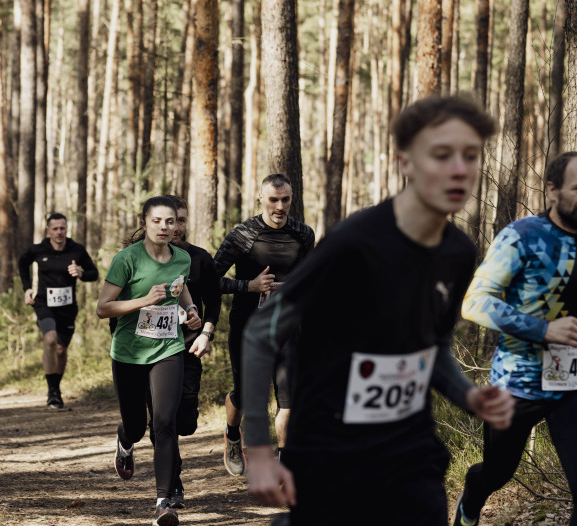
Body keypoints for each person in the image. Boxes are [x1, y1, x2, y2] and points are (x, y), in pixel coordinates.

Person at [242, 95, 516, 525]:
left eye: (471, 155)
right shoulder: (355, 242)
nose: (459, 169)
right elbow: (262, 331)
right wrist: (258, 448)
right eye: (441, 155)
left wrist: (468, 395)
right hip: (331, 447)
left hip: (410, 447)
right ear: (405, 163)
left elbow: (433, 347)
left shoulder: (459, 252)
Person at [453, 151, 577, 526]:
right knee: (497, 474)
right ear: (552, 189)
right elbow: (474, 303)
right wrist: (544, 330)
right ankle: (472, 497)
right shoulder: (522, 236)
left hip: (576, 379)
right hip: (519, 381)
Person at [96, 196, 202, 526]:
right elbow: (103, 308)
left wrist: (191, 310)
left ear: (177, 226)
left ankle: (163, 503)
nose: (164, 227)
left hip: (167, 350)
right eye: (157, 221)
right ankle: (125, 440)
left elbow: (179, 288)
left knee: (165, 422)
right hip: (129, 353)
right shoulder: (126, 260)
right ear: (145, 222)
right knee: (136, 426)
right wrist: (144, 300)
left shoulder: (182, 257)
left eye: (170, 221)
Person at [213, 173, 315, 475]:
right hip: (248, 327)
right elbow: (211, 281)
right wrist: (250, 286)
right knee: (244, 393)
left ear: (292, 198)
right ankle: (233, 434)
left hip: (287, 329)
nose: (280, 206)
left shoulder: (304, 234)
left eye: (285, 199)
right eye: (273, 199)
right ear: (261, 199)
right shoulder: (242, 235)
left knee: (288, 398)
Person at [142, 195, 220, 509]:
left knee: (185, 422)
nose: (175, 227)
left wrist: (206, 333)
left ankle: (171, 475)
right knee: (163, 421)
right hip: (151, 350)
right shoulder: (141, 257)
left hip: (188, 346)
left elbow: (213, 301)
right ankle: (172, 485)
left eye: (181, 220)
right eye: (169, 220)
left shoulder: (198, 259)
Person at [18, 212, 100, 409]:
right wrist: (27, 288)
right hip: (44, 304)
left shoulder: (76, 250)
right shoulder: (39, 249)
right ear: (48, 230)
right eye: (55, 229)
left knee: (61, 349)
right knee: (50, 339)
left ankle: (57, 387)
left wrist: (80, 273)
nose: (59, 232)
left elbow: (94, 274)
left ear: (66, 229)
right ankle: (52, 391)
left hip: (67, 308)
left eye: (62, 228)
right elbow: (22, 263)